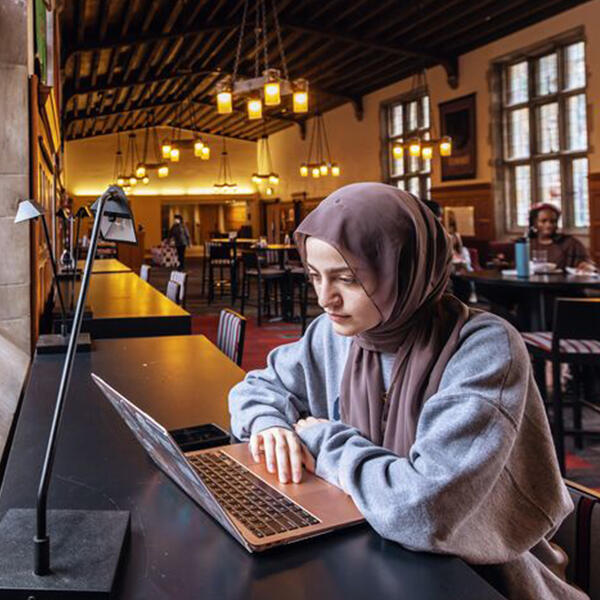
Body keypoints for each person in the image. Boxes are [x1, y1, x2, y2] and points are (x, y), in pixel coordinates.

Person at [228, 183, 586, 600]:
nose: (325, 299)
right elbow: (255, 388)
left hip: (484, 574)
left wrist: (319, 439)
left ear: (405, 269)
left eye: (347, 278)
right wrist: (269, 424)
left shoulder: (484, 348)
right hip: (370, 548)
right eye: (314, 276)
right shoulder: (335, 333)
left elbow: (423, 511)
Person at [529, 203, 595, 272]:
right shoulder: (525, 245)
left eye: (553, 221)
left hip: (563, 282)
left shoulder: (571, 243)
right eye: (543, 221)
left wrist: (587, 266)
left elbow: (587, 264)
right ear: (535, 223)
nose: (549, 225)